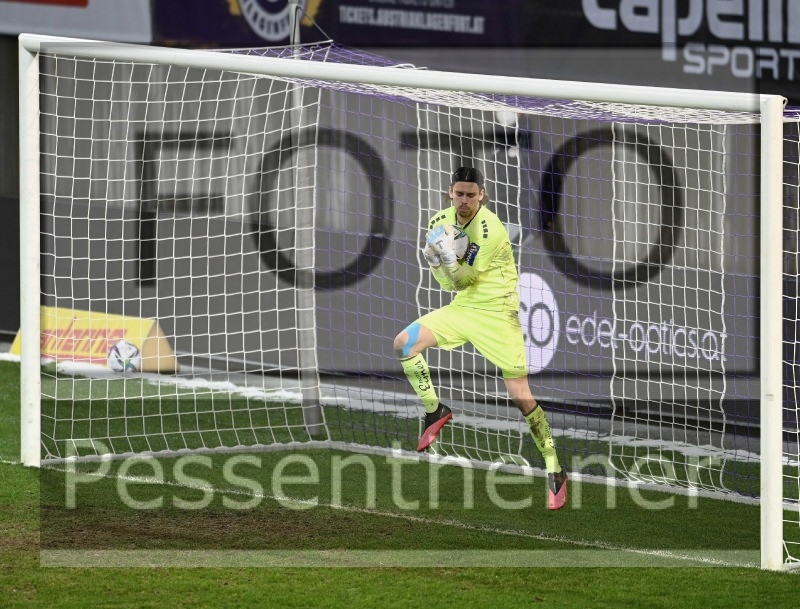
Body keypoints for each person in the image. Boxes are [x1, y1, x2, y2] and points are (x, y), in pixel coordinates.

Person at [393, 166, 568, 510]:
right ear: (450, 193)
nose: (464, 201)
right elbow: (448, 286)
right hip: (463, 309)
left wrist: (444, 256)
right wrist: (433, 260)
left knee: (520, 397)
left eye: (471, 195)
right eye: (459, 194)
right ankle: (435, 409)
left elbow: (464, 279)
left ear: (482, 195)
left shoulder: (491, 229)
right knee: (404, 343)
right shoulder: (438, 221)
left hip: (499, 316)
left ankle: (554, 468)